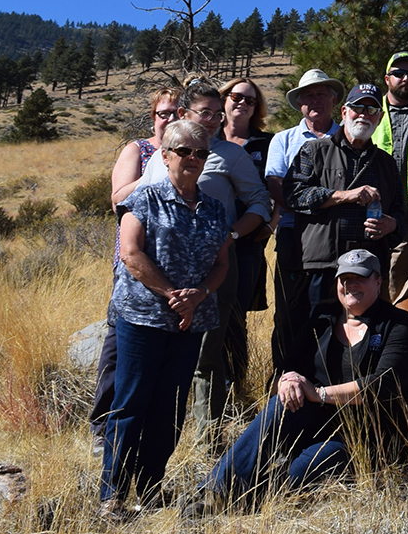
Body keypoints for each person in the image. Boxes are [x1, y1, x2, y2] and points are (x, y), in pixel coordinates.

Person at [197, 250, 408, 507]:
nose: (351, 285)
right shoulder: (322, 318)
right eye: (344, 279)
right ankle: (212, 492)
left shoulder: (398, 326)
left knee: (297, 474)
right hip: (310, 422)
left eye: (359, 277)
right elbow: (282, 372)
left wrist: (318, 393)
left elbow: (381, 387)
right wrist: (286, 381)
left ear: (378, 281)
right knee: (280, 404)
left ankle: (242, 501)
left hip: (361, 438)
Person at [102, 119, 232, 518]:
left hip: (189, 322)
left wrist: (201, 294)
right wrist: (171, 293)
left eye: (200, 153)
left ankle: (149, 486)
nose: (192, 159)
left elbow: (222, 262)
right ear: (164, 155)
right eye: (184, 151)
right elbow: (131, 252)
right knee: (130, 403)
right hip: (143, 317)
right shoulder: (144, 197)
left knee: (171, 408)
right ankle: (113, 493)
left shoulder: (214, 208)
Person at [138, 82, 274, 429]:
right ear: (182, 114)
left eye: (218, 113)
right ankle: (161, 429)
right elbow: (141, 204)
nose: (214, 120)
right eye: (205, 113)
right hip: (164, 272)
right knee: (161, 352)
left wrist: (230, 235)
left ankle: (207, 440)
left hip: (215, 269)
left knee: (207, 359)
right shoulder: (161, 156)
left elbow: (260, 202)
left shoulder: (231, 155)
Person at [280, 83, 406, 376]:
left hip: (368, 272)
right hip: (322, 266)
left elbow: (399, 212)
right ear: (344, 111)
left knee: (362, 342)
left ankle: (352, 405)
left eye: (372, 109)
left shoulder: (387, 164)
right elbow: (293, 194)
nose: (364, 114)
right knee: (310, 340)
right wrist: (342, 195)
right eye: (358, 107)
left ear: (379, 117)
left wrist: (392, 224)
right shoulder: (314, 150)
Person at [91, 86, 182, 433]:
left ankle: (148, 425)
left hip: (177, 268)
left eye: (177, 112)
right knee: (119, 342)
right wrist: (157, 169)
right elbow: (117, 200)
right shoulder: (139, 150)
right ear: (153, 118)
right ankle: (104, 424)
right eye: (164, 113)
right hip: (134, 262)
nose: (170, 119)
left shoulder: (191, 152)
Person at [265, 69, 344, 381]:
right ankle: (283, 381)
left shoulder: (346, 139)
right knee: (289, 311)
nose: (315, 100)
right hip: (294, 235)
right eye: (308, 95)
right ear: (299, 103)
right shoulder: (283, 140)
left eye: (322, 93)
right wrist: (315, 207)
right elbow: (276, 186)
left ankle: (328, 381)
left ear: (334, 100)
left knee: (336, 311)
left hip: (339, 239)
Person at [221, 77, 275, 336]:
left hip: (247, 239)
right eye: (237, 97)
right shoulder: (204, 138)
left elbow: (280, 188)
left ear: (256, 108)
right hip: (203, 237)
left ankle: (235, 376)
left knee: (234, 315)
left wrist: (270, 225)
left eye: (250, 100)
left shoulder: (267, 143)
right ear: (224, 99)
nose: (243, 103)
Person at [372, 50, 408, 303]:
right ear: (387, 79)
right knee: (369, 283)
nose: (406, 79)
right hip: (370, 218)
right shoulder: (368, 112)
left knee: (400, 287)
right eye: (399, 73)